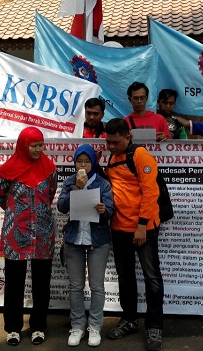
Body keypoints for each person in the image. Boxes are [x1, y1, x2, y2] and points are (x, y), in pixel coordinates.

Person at [0, 127, 58, 346]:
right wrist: (17, 212)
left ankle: (38, 326)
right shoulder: (7, 170)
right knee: (14, 282)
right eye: (34, 146)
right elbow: (0, 195)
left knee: (42, 282)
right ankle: (13, 328)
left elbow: (50, 194)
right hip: (16, 233)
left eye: (41, 145)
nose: (38, 150)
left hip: (42, 233)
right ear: (23, 145)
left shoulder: (50, 169)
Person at [104, 118, 164, 351]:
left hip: (143, 229)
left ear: (127, 137)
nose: (111, 146)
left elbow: (151, 192)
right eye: (108, 142)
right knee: (125, 276)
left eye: (115, 142)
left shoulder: (140, 156)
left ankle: (154, 326)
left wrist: (141, 225)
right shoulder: (112, 157)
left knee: (152, 277)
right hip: (119, 228)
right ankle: (129, 319)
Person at [57, 144, 114, 347]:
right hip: (74, 240)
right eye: (79, 161)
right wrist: (77, 188)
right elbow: (61, 207)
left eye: (87, 161)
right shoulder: (70, 181)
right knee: (76, 287)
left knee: (97, 286)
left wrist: (104, 210)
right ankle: (78, 326)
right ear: (74, 163)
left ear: (93, 163)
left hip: (97, 240)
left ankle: (95, 326)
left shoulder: (103, 183)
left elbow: (111, 210)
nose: (83, 165)